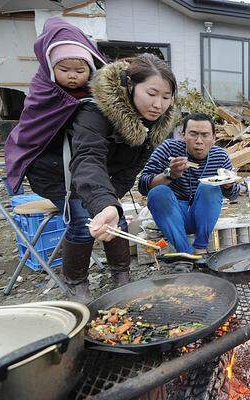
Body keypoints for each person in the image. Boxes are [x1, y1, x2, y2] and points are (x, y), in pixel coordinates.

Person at [20, 53, 177, 303]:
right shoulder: (94, 110)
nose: (159, 104)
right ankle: (75, 283)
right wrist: (101, 202)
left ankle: (121, 277)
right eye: (151, 93)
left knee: (115, 217)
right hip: (57, 171)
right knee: (84, 219)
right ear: (130, 86)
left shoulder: (153, 123)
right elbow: (87, 157)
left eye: (166, 97)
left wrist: (110, 201)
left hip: (95, 172)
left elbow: (129, 170)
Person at [4, 17, 106, 194]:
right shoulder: (43, 92)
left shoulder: (98, 95)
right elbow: (32, 127)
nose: (72, 76)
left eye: (80, 71)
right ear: (50, 67)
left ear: (91, 70)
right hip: (50, 171)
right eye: (64, 70)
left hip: (83, 170)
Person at [138, 113, 240, 255]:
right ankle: (184, 253)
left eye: (205, 135)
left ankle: (200, 248)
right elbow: (143, 186)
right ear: (183, 135)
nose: (199, 141)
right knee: (158, 193)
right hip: (172, 216)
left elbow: (234, 195)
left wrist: (228, 185)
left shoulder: (220, 156)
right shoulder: (169, 149)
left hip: (202, 217)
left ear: (214, 138)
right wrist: (169, 174)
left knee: (209, 188)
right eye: (193, 134)